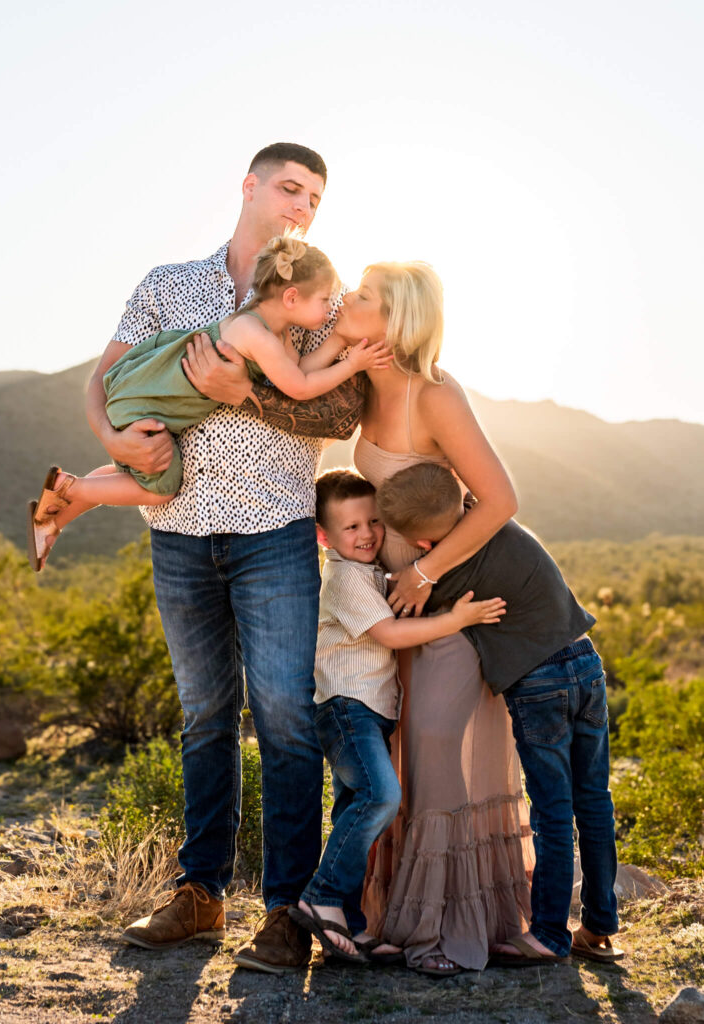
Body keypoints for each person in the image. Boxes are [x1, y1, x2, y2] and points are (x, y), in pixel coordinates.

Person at [74, 143, 369, 973]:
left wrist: (252, 395)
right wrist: (108, 437)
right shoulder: (169, 285)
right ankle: (198, 895)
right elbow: (99, 382)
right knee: (205, 718)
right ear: (248, 186)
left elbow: (342, 415)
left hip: (274, 530)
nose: (300, 206)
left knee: (282, 720)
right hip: (175, 529)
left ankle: (285, 911)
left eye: (313, 196)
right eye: (288, 187)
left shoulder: (321, 298)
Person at [326, 260, 535, 975]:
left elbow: (501, 500)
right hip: (393, 615)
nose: (345, 300)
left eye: (362, 297)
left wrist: (421, 570)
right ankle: (396, 920)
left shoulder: (434, 394)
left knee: (437, 744)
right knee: (403, 760)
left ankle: (450, 929)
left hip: (445, 603)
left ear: (397, 320)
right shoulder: (361, 387)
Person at [376, 462, 624, 966]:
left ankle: (550, 935)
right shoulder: (503, 527)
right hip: (586, 664)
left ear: (425, 546)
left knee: (553, 811)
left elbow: (404, 605)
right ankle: (599, 926)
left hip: (539, 684)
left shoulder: (452, 576)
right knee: (594, 800)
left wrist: (411, 576)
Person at [26, 236, 389, 571]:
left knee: (127, 475)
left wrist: (340, 342)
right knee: (161, 489)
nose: (333, 306)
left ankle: (51, 518)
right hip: (148, 402)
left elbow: (296, 373)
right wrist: (352, 364)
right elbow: (300, 388)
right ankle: (68, 488)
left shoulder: (270, 329)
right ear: (292, 298)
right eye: (325, 300)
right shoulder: (255, 334)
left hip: (144, 396)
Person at [290, 470, 506, 965]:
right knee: (381, 795)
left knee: (352, 807)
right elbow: (387, 634)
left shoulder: (365, 573)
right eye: (351, 527)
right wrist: (455, 621)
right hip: (348, 709)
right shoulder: (344, 578)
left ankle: (349, 920)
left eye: (373, 522)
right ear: (324, 536)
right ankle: (321, 895)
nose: (366, 534)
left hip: (368, 713)